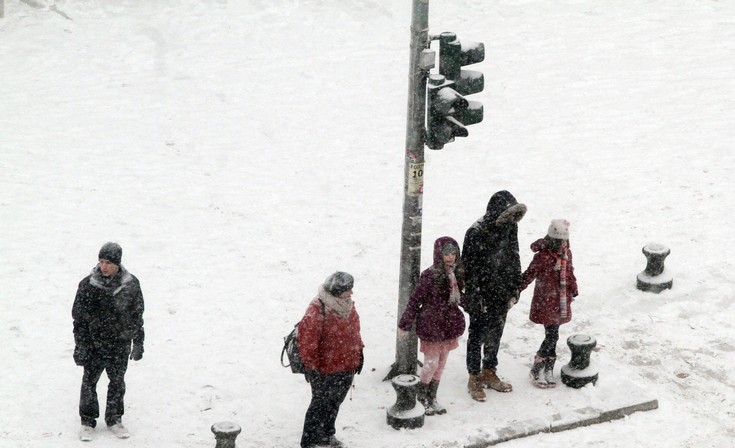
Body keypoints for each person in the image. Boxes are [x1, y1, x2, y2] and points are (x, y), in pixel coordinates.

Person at [72, 242, 145, 441]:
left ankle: (114, 419)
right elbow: (79, 319)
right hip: (94, 344)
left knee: (117, 383)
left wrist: (138, 342)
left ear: (118, 264)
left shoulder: (130, 285)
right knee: (89, 382)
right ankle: (87, 421)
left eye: (109, 262)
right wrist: (80, 345)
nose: (104, 266)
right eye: (101, 261)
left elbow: (137, 315)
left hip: (119, 344)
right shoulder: (87, 285)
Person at [461, 190, 527, 401]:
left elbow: (514, 256)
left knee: (495, 333)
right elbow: (468, 269)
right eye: (507, 215)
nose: (510, 220)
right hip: (481, 293)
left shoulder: (511, 226)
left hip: (502, 291)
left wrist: (515, 287)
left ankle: (490, 370)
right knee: (477, 335)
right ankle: (474, 376)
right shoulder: (476, 232)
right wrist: (475, 297)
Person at [397, 236, 466, 415]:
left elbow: (461, 297)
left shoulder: (456, 273)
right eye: (446, 254)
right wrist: (404, 324)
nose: (450, 257)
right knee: (431, 364)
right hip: (432, 325)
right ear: (439, 254)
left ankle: (432, 397)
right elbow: (415, 300)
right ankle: (421, 397)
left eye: (453, 253)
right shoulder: (430, 275)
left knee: (441, 364)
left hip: (449, 325)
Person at [298, 272, 364, 448]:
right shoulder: (317, 310)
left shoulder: (347, 306)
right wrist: (311, 368)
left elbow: (354, 331)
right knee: (319, 405)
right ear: (336, 290)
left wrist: (359, 352)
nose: (351, 293)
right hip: (324, 369)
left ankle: (327, 434)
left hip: (346, 365)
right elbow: (307, 342)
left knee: (334, 404)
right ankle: (309, 440)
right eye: (347, 289)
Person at [520, 219, 579, 388]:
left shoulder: (567, 254)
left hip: (561, 301)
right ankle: (538, 366)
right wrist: (516, 290)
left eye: (565, 241)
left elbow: (569, 272)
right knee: (552, 335)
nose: (563, 244)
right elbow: (529, 275)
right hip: (546, 301)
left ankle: (547, 368)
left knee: (553, 334)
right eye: (559, 241)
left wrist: (574, 288)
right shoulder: (542, 258)